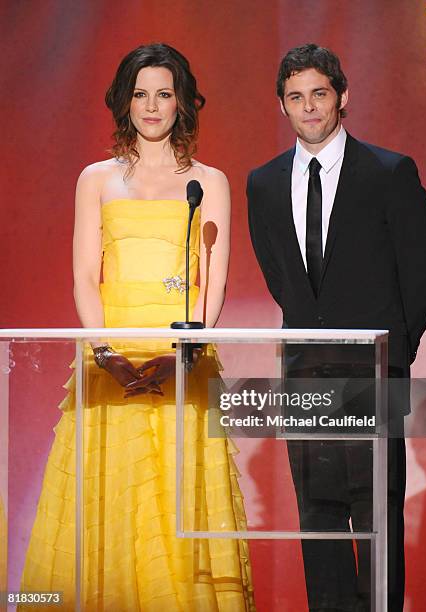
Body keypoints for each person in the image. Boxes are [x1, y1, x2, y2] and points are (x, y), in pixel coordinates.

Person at [21, 43, 255, 611]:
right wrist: (104, 352)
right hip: (113, 363)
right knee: (112, 503)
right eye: (141, 93)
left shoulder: (210, 181)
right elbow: (83, 274)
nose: (152, 106)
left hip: (182, 360)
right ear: (125, 102)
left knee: (178, 506)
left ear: (183, 103)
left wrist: (186, 352)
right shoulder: (96, 179)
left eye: (164, 94)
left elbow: (213, 280)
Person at [247, 44, 426, 612]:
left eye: (319, 94)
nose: (309, 107)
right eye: (296, 97)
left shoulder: (387, 172)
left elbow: (422, 274)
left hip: (373, 369)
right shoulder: (263, 184)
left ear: (343, 97)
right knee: (320, 520)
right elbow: (282, 277)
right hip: (305, 371)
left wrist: (392, 358)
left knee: (377, 516)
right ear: (282, 105)